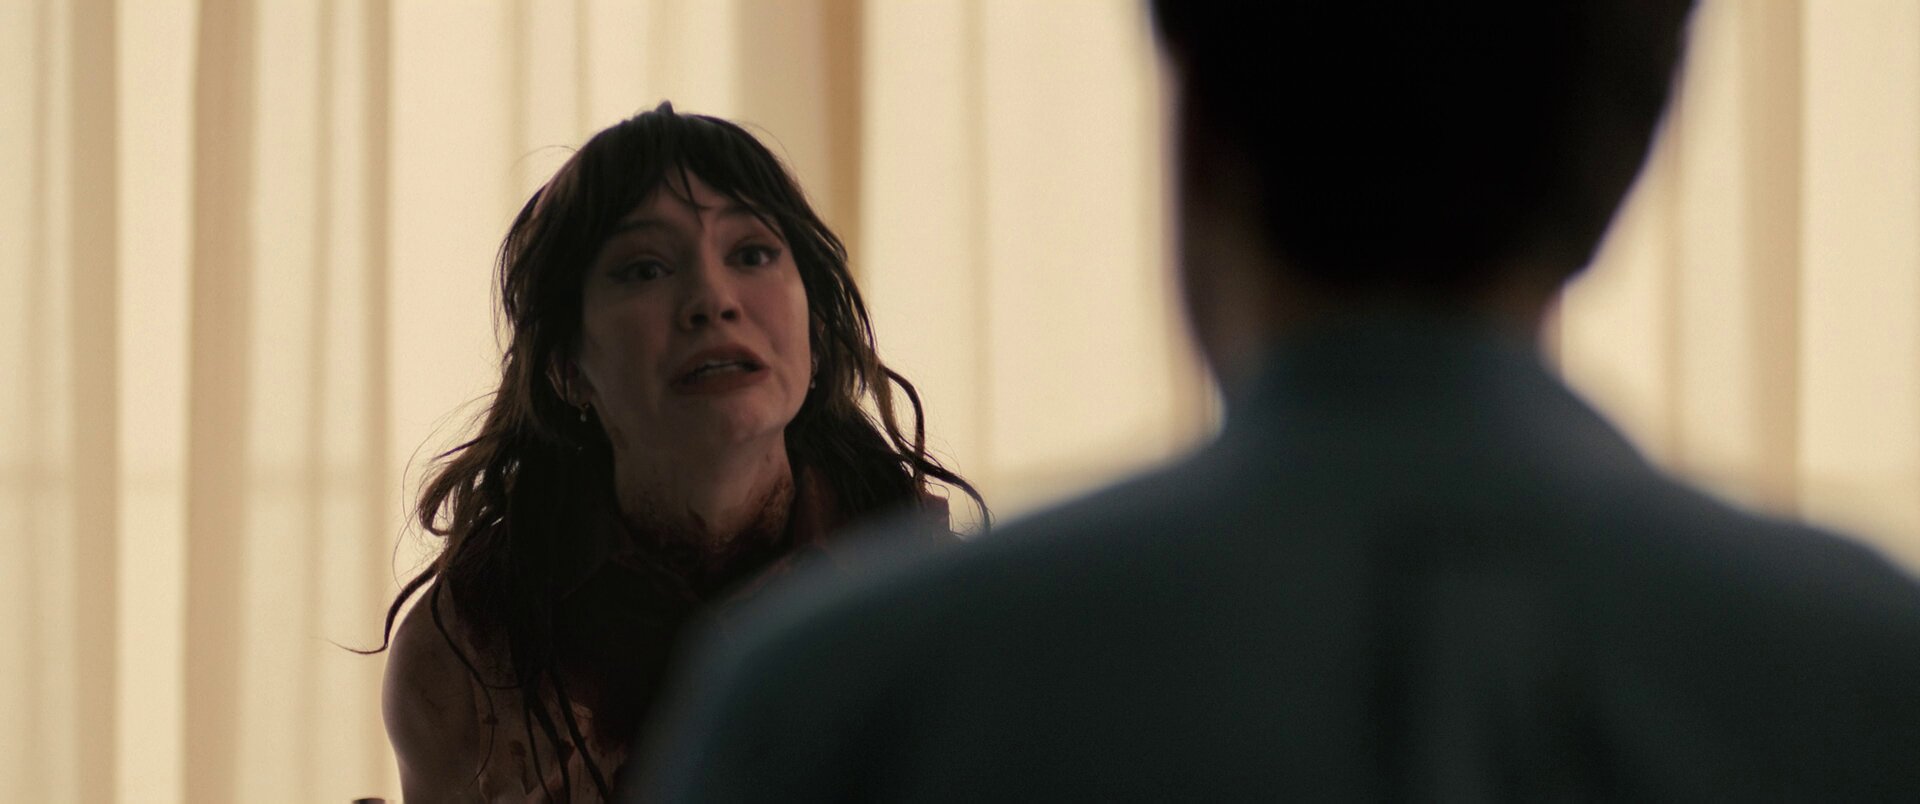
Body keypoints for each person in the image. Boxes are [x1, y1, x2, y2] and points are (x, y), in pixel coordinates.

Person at [633, 2, 1920, 800]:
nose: (713, 300)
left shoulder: (846, 701)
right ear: (1619, 167)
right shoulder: (1869, 671)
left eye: (753, 253)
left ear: (1197, 138)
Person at [370, 102, 982, 802]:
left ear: (814, 332)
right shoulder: (469, 653)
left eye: (752, 254)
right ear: (566, 367)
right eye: (644, 268)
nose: (712, 300)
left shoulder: (929, 596)